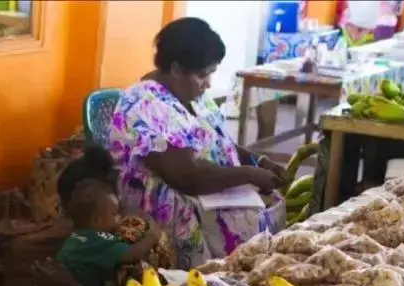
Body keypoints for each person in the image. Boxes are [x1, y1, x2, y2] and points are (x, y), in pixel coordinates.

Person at [108, 17, 286, 267]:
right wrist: (247, 174)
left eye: (212, 73)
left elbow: (217, 142)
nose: (209, 83)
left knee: (271, 203)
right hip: (166, 206)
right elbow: (187, 177)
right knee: (244, 233)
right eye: (203, 75)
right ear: (177, 68)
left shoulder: (191, 95)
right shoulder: (147, 105)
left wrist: (259, 161)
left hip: (203, 190)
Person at [56, 179, 162, 286]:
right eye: (114, 214)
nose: (119, 220)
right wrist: (152, 236)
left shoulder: (77, 237)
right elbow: (133, 254)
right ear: (96, 220)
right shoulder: (96, 240)